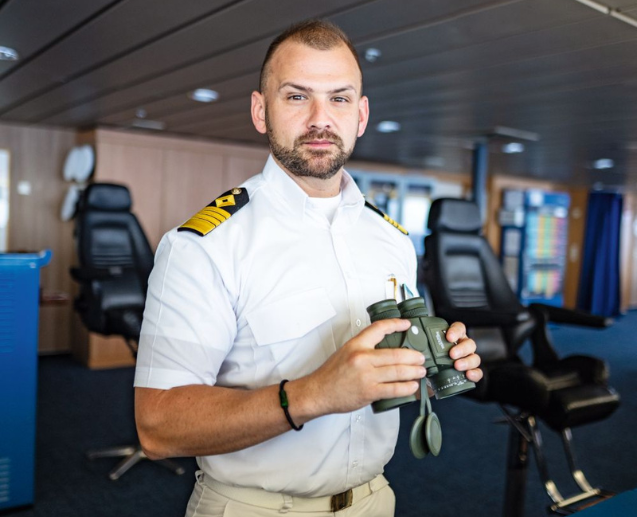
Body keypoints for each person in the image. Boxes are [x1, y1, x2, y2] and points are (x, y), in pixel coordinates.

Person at [134, 19, 482, 517]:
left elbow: (378, 371)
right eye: (297, 97)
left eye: (339, 98)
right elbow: (157, 427)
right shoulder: (203, 247)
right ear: (261, 111)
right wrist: (313, 394)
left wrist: (424, 366)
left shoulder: (393, 239)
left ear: (361, 115)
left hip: (374, 499)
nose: (321, 118)